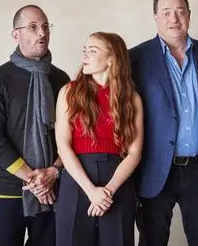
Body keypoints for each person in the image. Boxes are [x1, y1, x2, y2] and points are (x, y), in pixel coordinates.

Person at [129, 0, 198, 246]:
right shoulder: (136, 58)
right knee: (152, 240)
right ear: (155, 17)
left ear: (189, 15)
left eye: (180, 12)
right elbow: (125, 114)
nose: (174, 18)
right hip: (154, 169)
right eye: (166, 13)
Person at [0, 5, 70, 246]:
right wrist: (34, 180)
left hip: (53, 190)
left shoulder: (62, 80)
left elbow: (71, 137)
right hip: (8, 190)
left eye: (45, 26)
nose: (42, 33)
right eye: (33, 27)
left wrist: (53, 172)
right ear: (15, 34)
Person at [55, 32, 143, 246]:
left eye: (92, 51)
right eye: (84, 50)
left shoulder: (132, 98)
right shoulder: (68, 92)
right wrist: (91, 191)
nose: (85, 55)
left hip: (117, 181)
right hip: (77, 179)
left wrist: (108, 191)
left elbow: (134, 153)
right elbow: (63, 147)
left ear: (112, 59)